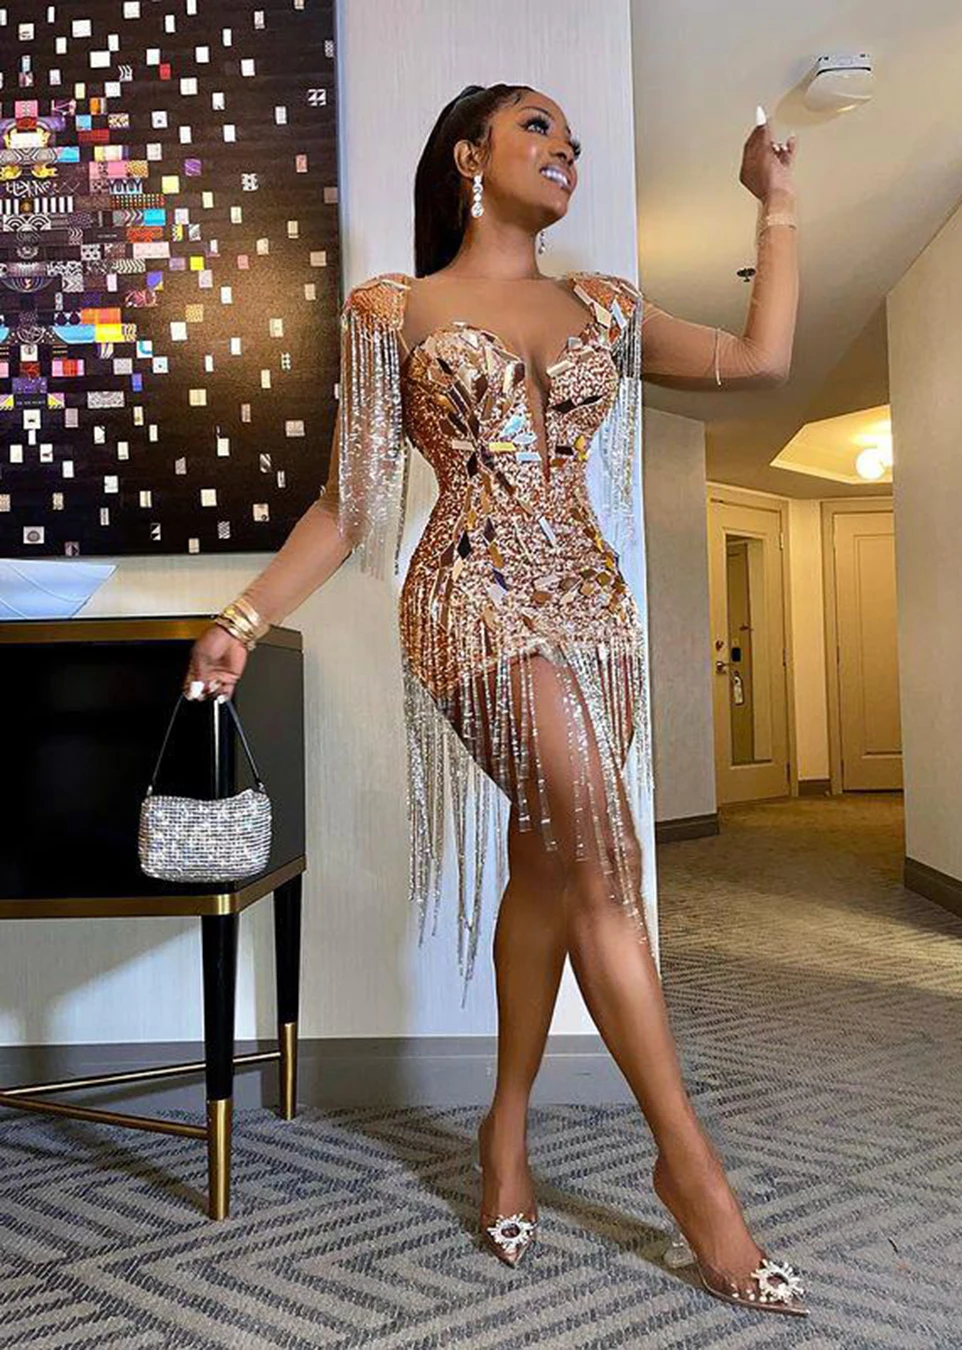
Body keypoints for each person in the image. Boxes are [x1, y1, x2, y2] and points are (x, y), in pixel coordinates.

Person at [183, 83, 802, 1314]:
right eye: (537, 128)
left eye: (573, 139)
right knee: (606, 853)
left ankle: (504, 1129)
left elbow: (762, 359)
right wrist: (242, 619)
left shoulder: (605, 307)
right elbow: (349, 505)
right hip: (470, 601)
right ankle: (692, 1172)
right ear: (470, 155)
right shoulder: (392, 308)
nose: (565, 147)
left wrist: (776, 203)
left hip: (594, 614)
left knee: (551, 859)